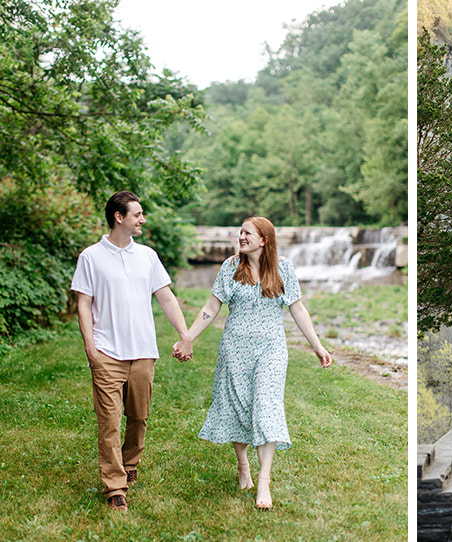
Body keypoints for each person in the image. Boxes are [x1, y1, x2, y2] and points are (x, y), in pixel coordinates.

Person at [175, 217, 332, 510]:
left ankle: (264, 481)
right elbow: (212, 307)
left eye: (247, 233)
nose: (241, 237)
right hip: (235, 348)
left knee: (266, 406)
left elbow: (297, 308)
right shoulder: (230, 268)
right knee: (239, 406)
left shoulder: (283, 268)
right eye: (241, 233)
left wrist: (317, 346)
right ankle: (243, 465)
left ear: (264, 240)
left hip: (271, 349)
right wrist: (189, 338)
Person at [72, 191, 193, 512]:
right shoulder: (91, 257)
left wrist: (185, 334)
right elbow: (83, 304)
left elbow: (166, 297)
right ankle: (115, 486)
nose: (142, 219)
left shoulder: (148, 256)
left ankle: (130, 462)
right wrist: (90, 346)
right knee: (109, 422)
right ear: (119, 217)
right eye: (137, 214)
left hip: (142, 352)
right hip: (107, 353)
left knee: (138, 417)